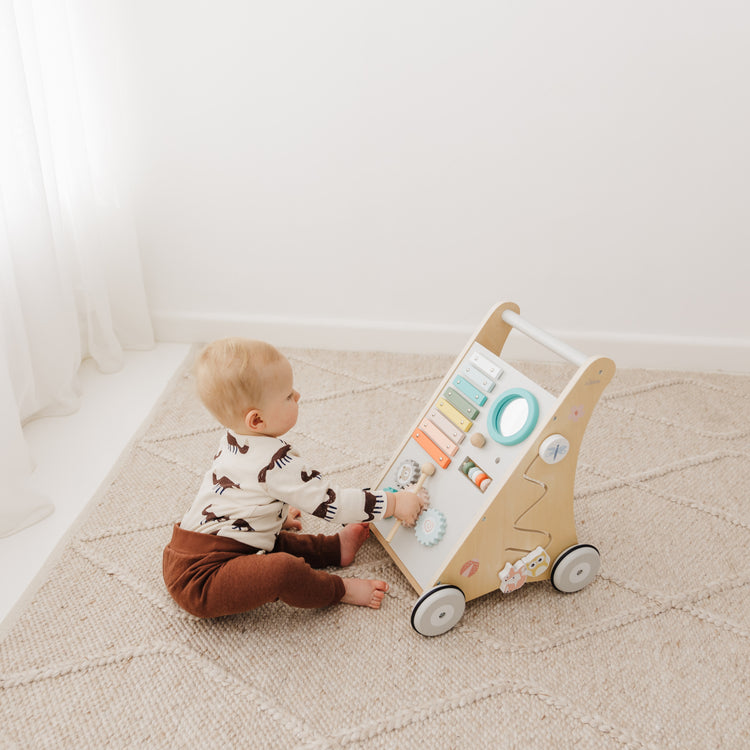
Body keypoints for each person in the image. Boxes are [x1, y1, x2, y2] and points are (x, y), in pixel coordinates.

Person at [163, 337, 426, 618]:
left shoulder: (232, 436)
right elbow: (331, 503)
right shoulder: (274, 463)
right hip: (201, 582)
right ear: (257, 421)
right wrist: (393, 503)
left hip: (195, 551)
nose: (298, 395)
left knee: (273, 541)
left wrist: (270, 513)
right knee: (281, 569)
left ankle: (334, 548)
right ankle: (338, 589)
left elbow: (236, 491)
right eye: (288, 395)